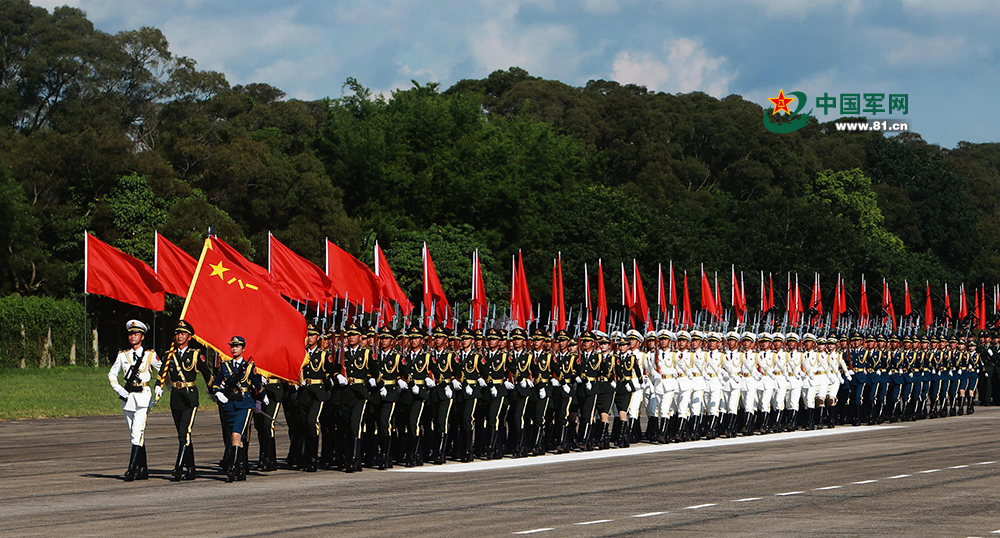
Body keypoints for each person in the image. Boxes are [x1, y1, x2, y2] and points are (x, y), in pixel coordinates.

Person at [108, 319, 162, 481]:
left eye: (136, 334)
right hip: (128, 397)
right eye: (131, 334)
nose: (133, 336)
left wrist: (158, 387)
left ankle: (131, 469)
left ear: (142, 337)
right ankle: (144, 469)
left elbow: (164, 371)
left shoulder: (150, 355)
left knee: (137, 432)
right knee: (135, 433)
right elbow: (112, 374)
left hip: (144, 396)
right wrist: (119, 389)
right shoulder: (122, 355)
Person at [158, 320, 212, 480]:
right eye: (177, 333)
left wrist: (214, 390)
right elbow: (162, 373)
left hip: (190, 396)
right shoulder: (169, 355)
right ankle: (192, 468)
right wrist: (157, 386)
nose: (179, 336)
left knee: (185, 432)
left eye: (183, 333)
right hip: (175, 396)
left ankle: (179, 467)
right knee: (183, 435)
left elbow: (207, 374)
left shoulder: (195, 355)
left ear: (189, 337)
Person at [209, 336, 264, 482]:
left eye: (237, 346)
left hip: (244, 404)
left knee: (235, 435)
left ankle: (232, 467)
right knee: (237, 439)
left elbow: (257, 384)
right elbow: (215, 383)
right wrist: (219, 393)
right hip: (230, 404)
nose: (234, 348)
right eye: (232, 346)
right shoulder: (225, 366)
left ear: (243, 349)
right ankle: (241, 469)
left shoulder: (249, 366)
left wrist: (262, 399)